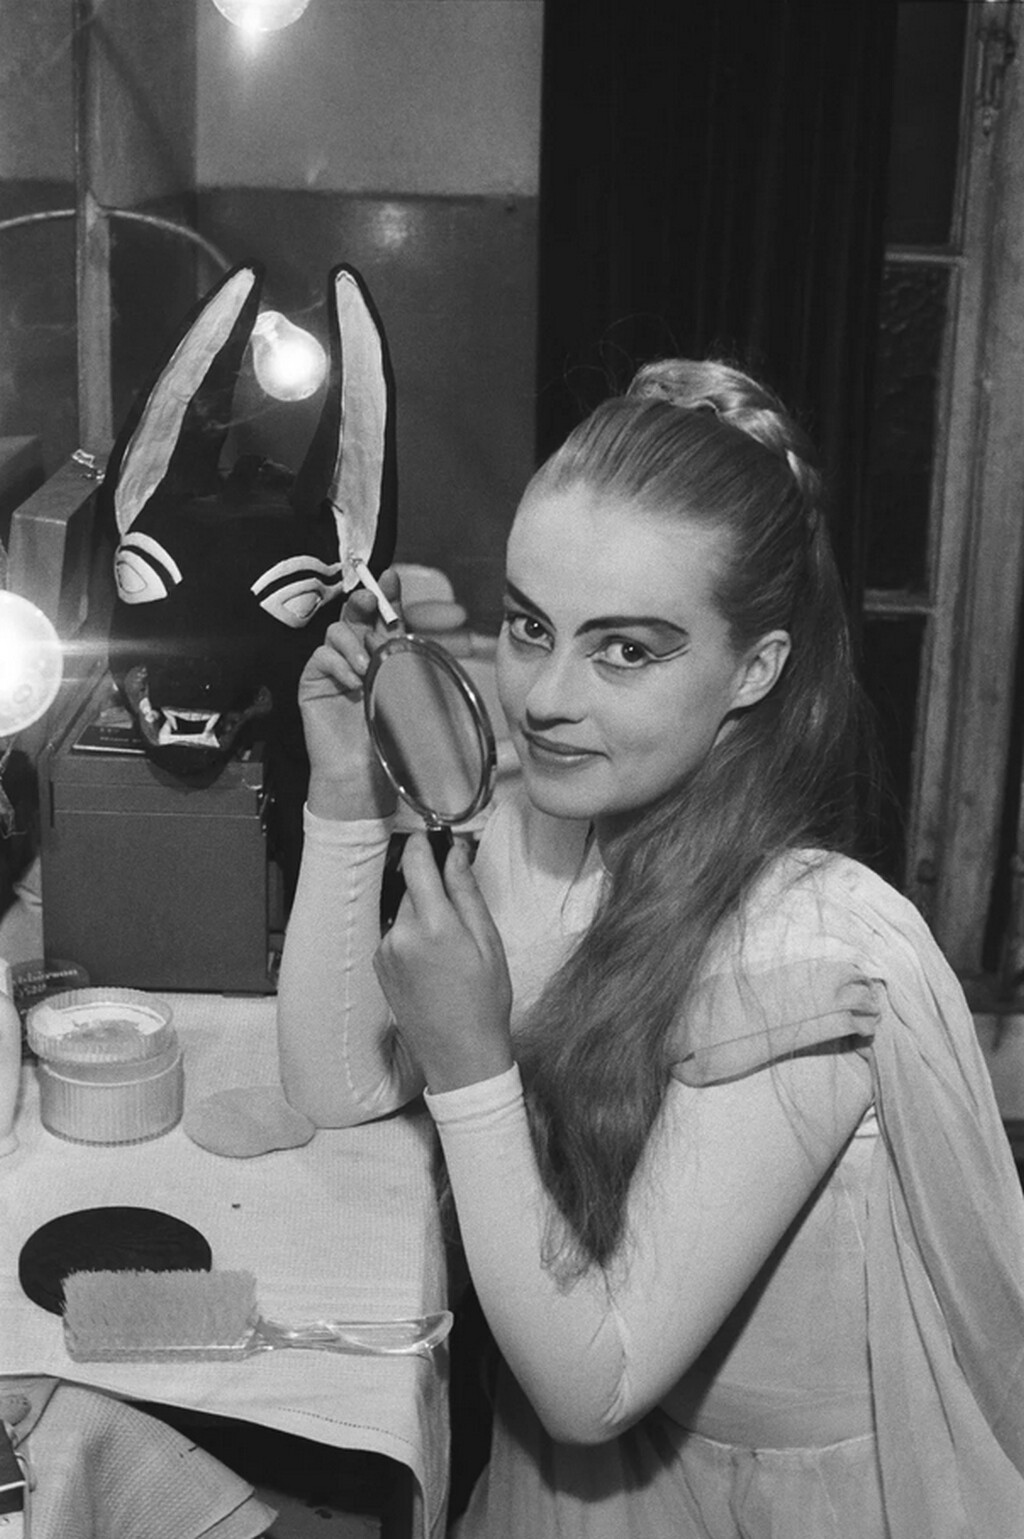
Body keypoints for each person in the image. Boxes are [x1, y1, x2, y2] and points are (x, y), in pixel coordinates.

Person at [277, 358, 1024, 1538]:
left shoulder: (803, 957)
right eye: (531, 627)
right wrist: (340, 794)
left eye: (625, 649)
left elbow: (595, 1387)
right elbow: (338, 1087)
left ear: (756, 668)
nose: (542, 697)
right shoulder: (546, 832)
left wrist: (470, 1062)